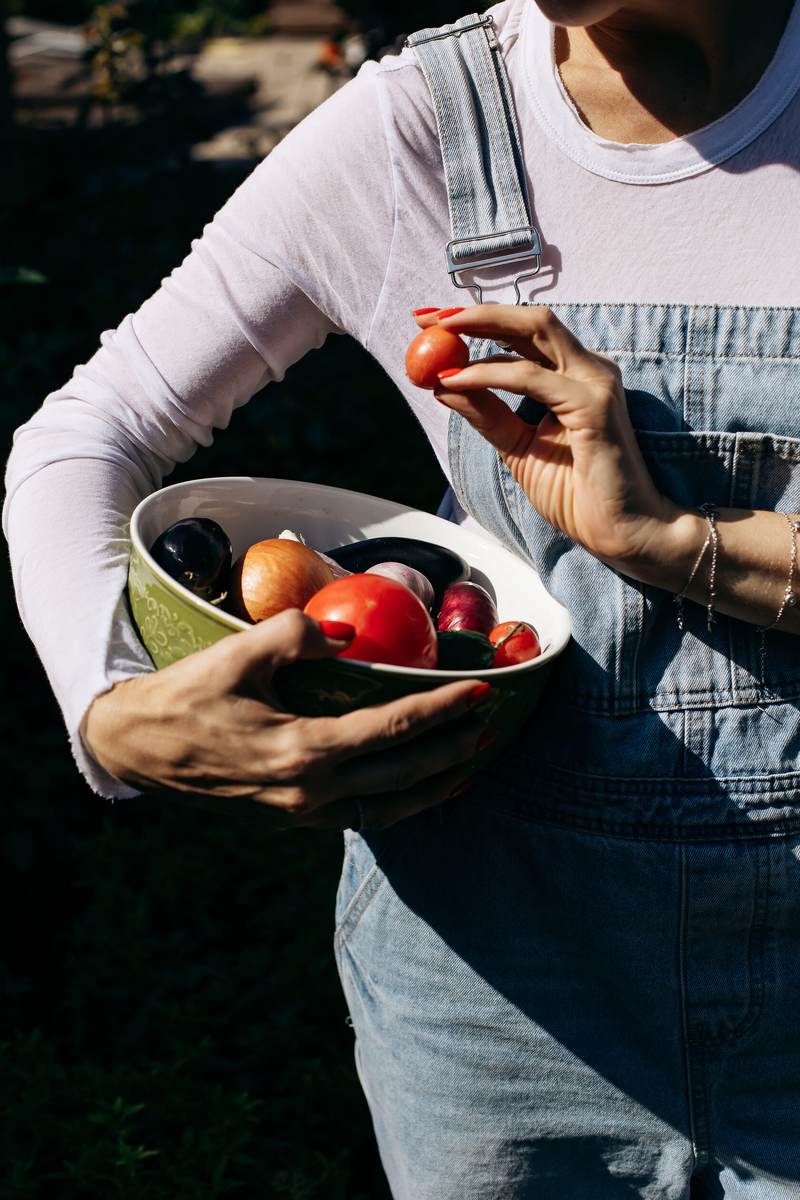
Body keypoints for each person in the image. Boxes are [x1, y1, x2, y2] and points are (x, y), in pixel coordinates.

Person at [7, 0, 800, 1192]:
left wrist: (673, 538)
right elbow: (88, 431)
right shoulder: (427, 126)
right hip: (496, 1015)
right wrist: (110, 705)